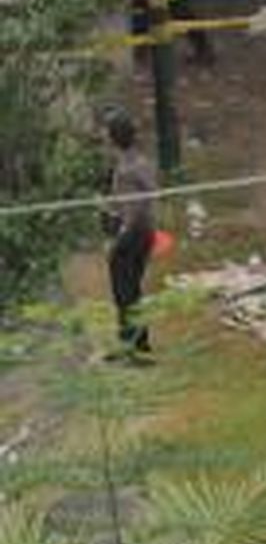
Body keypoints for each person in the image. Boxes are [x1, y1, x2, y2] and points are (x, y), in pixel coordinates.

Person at [101, 105, 157, 358]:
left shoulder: (124, 170)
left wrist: (117, 239)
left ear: (113, 136)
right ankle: (139, 341)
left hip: (131, 234)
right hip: (146, 232)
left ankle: (129, 346)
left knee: (124, 292)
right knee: (133, 288)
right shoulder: (142, 161)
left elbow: (131, 209)